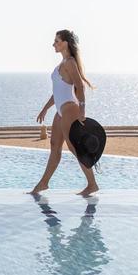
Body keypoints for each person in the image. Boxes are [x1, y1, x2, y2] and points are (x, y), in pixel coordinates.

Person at [30, 29, 99, 197]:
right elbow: (58, 91)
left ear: (65, 43)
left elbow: (80, 86)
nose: (54, 44)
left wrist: (82, 110)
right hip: (60, 110)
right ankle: (44, 183)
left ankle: (92, 184)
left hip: (70, 108)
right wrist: (46, 108)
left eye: (57, 41)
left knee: (74, 147)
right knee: (54, 146)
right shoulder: (61, 65)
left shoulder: (70, 62)